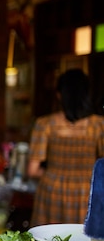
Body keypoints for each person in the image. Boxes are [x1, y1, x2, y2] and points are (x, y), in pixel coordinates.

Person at [28, 68, 104, 226]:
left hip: (52, 193)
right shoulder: (99, 125)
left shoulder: (45, 124)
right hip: (88, 194)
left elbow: (32, 170)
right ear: (87, 94)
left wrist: (55, 173)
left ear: (59, 95)